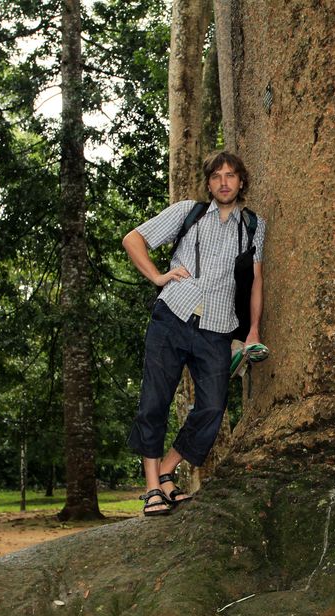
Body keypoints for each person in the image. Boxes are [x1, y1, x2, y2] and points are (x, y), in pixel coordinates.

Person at [122, 150, 266, 516]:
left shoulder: (253, 226)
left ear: (241, 182)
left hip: (216, 329)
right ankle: (153, 487)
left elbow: (255, 281)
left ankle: (168, 469)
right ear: (208, 183)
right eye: (217, 176)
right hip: (172, 315)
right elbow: (132, 240)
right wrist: (157, 277)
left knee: (213, 407)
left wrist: (252, 331)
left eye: (231, 175)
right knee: (155, 400)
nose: (223, 182)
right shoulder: (189, 212)